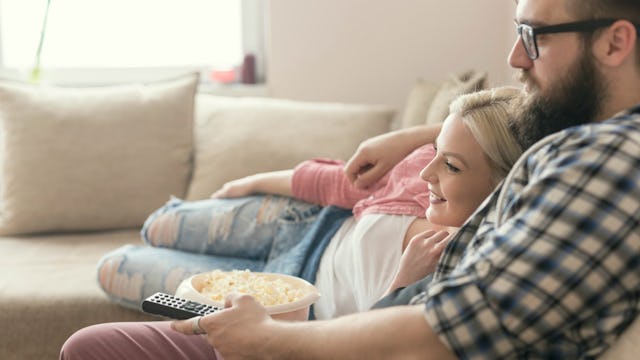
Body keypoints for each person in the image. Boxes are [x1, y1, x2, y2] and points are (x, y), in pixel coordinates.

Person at [62, 0, 640, 357]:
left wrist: (269, 339)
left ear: (615, 41)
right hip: (326, 275)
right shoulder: (574, 134)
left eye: (534, 35)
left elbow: (446, 331)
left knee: (99, 332)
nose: (516, 56)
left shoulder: (608, 160)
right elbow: (499, 114)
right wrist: (421, 134)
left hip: (332, 328)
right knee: (112, 315)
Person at [59, 86, 524, 359]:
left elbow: (372, 343)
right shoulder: (424, 170)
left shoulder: (472, 265)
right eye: (435, 155)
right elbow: (342, 185)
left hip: (290, 303)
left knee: (117, 265)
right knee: (160, 223)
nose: (427, 172)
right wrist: (249, 182)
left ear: (505, 184)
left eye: (452, 167)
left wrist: (400, 284)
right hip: (302, 225)